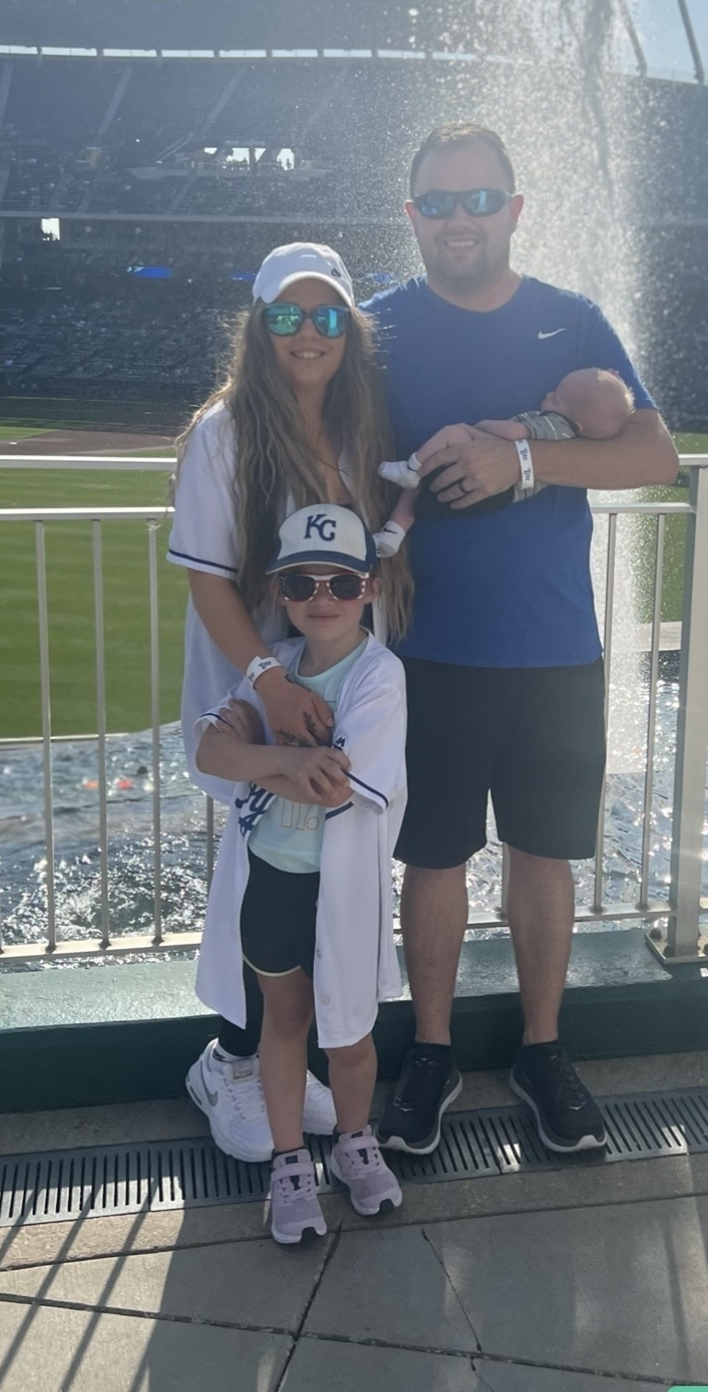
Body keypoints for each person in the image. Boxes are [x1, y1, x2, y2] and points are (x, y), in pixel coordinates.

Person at [365, 122, 679, 1157]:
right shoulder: (378, 326)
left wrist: (527, 462)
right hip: (426, 646)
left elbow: (653, 453)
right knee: (433, 860)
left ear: (512, 208)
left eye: (476, 199)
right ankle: (432, 1051)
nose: (457, 220)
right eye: (436, 202)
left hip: (553, 645)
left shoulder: (570, 317)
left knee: (544, 856)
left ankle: (542, 1049)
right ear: (412, 216)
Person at [168, 242, 409, 1164]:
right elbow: (208, 580)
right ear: (257, 327)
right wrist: (268, 683)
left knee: (308, 866)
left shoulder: (360, 421)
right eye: (285, 316)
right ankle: (230, 1061)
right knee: (256, 867)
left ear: (349, 328)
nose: (307, 333)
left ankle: (274, 1058)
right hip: (255, 678)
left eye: (326, 316)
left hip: (334, 672)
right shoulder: (224, 430)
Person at [194, 503, 406, 1244]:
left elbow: (339, 787)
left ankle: (353, 1141)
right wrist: (290, 760)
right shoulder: (274, 671)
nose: (322, 598)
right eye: (300, 583)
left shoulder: (379, 675)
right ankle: (289, 1164)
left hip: (339, 893)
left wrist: (257, 761)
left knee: (348, 1037)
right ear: (278, 591)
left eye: (341, 583)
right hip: (272, 882)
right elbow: (209, 753)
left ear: (369, 589)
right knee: (283, 1024)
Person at [374, 367, 634, 553]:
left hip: (490, 475)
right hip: (501, 493)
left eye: (556, 398)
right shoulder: (569, 434)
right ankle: (391, 536)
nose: (548, 394)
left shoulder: (558, 426)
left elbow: (514, 433)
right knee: (421, 492)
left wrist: (482, 425)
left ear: (578, 422)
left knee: (453, 433)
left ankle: (411, 468)